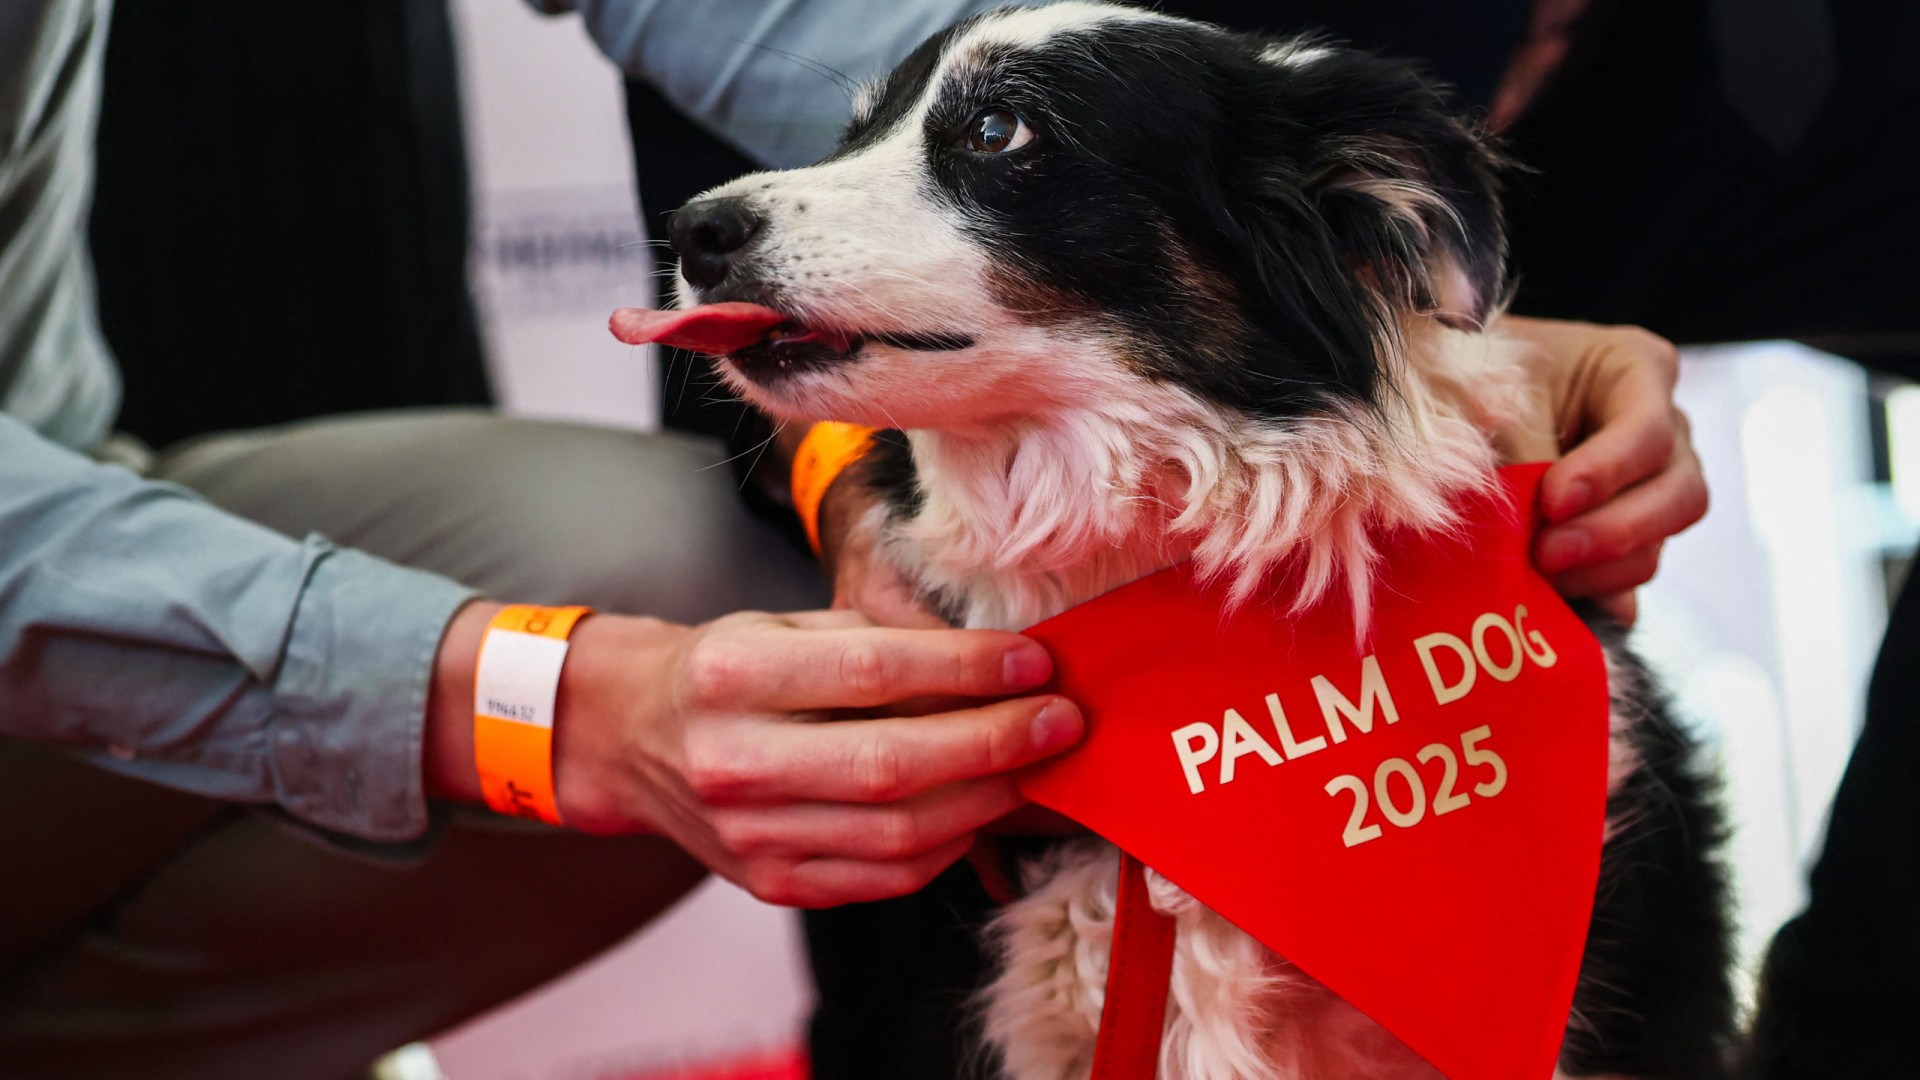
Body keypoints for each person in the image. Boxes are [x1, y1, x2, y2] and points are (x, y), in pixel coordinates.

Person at [0, 2, 1707, 1077]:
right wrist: (549, 707)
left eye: (980, 145)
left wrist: (1397, 318)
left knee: (665, 560)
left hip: (72, 468)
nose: (758, 213)